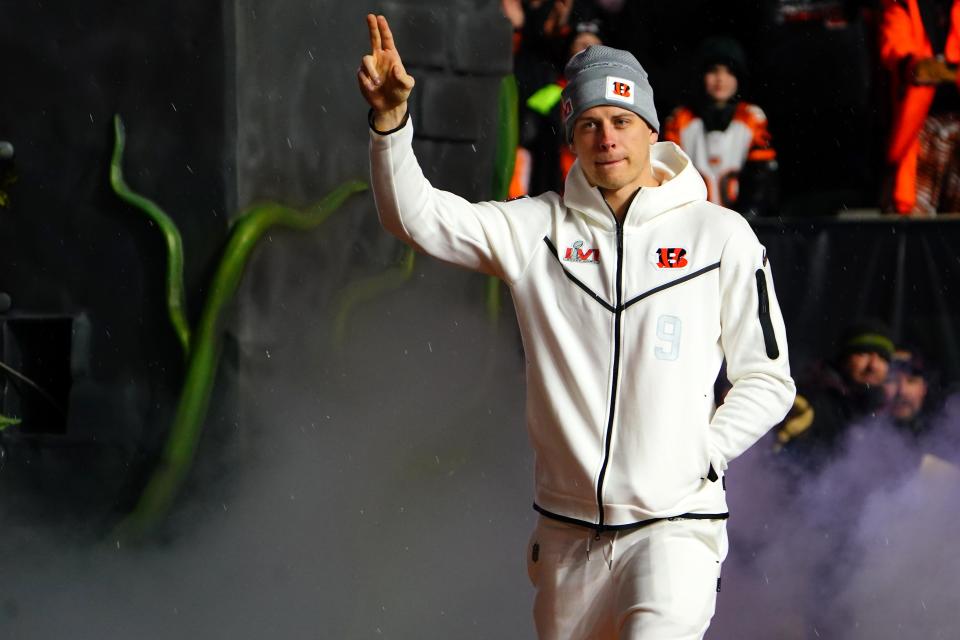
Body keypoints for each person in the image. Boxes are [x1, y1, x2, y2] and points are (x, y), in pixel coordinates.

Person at [358, 14, 795, 639]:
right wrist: (389, 124)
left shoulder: (719, 235)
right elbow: (415, 217)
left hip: (674, 531)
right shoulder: (535, 227)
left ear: (651, 130)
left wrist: (703, 453)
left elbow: (768, 381)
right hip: (565, 538)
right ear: (570, 137)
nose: (606, 138)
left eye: (621, 121)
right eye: (588, 124)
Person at [662, 37, 778, 218]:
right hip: (692, 222)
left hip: (742, 221)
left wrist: (747, 219)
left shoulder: (752, 117)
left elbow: (761, 180)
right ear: (701, 75)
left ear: (739, 78)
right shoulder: (679, 119)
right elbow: (668, 178)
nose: (721, 79)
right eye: (713, 71)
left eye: (730, 72)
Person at [879, 0, 960, 215]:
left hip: (956, 132)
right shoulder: (901, 6)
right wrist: (934, 70)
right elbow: (912, 65)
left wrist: (938, 70)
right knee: (911, 220)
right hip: (917, 132)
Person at [775, 320, 893, 465]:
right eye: (863, 353)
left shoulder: (887, 412)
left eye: (882, 357)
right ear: (843, 358)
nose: (873, 365)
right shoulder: (811, 398)